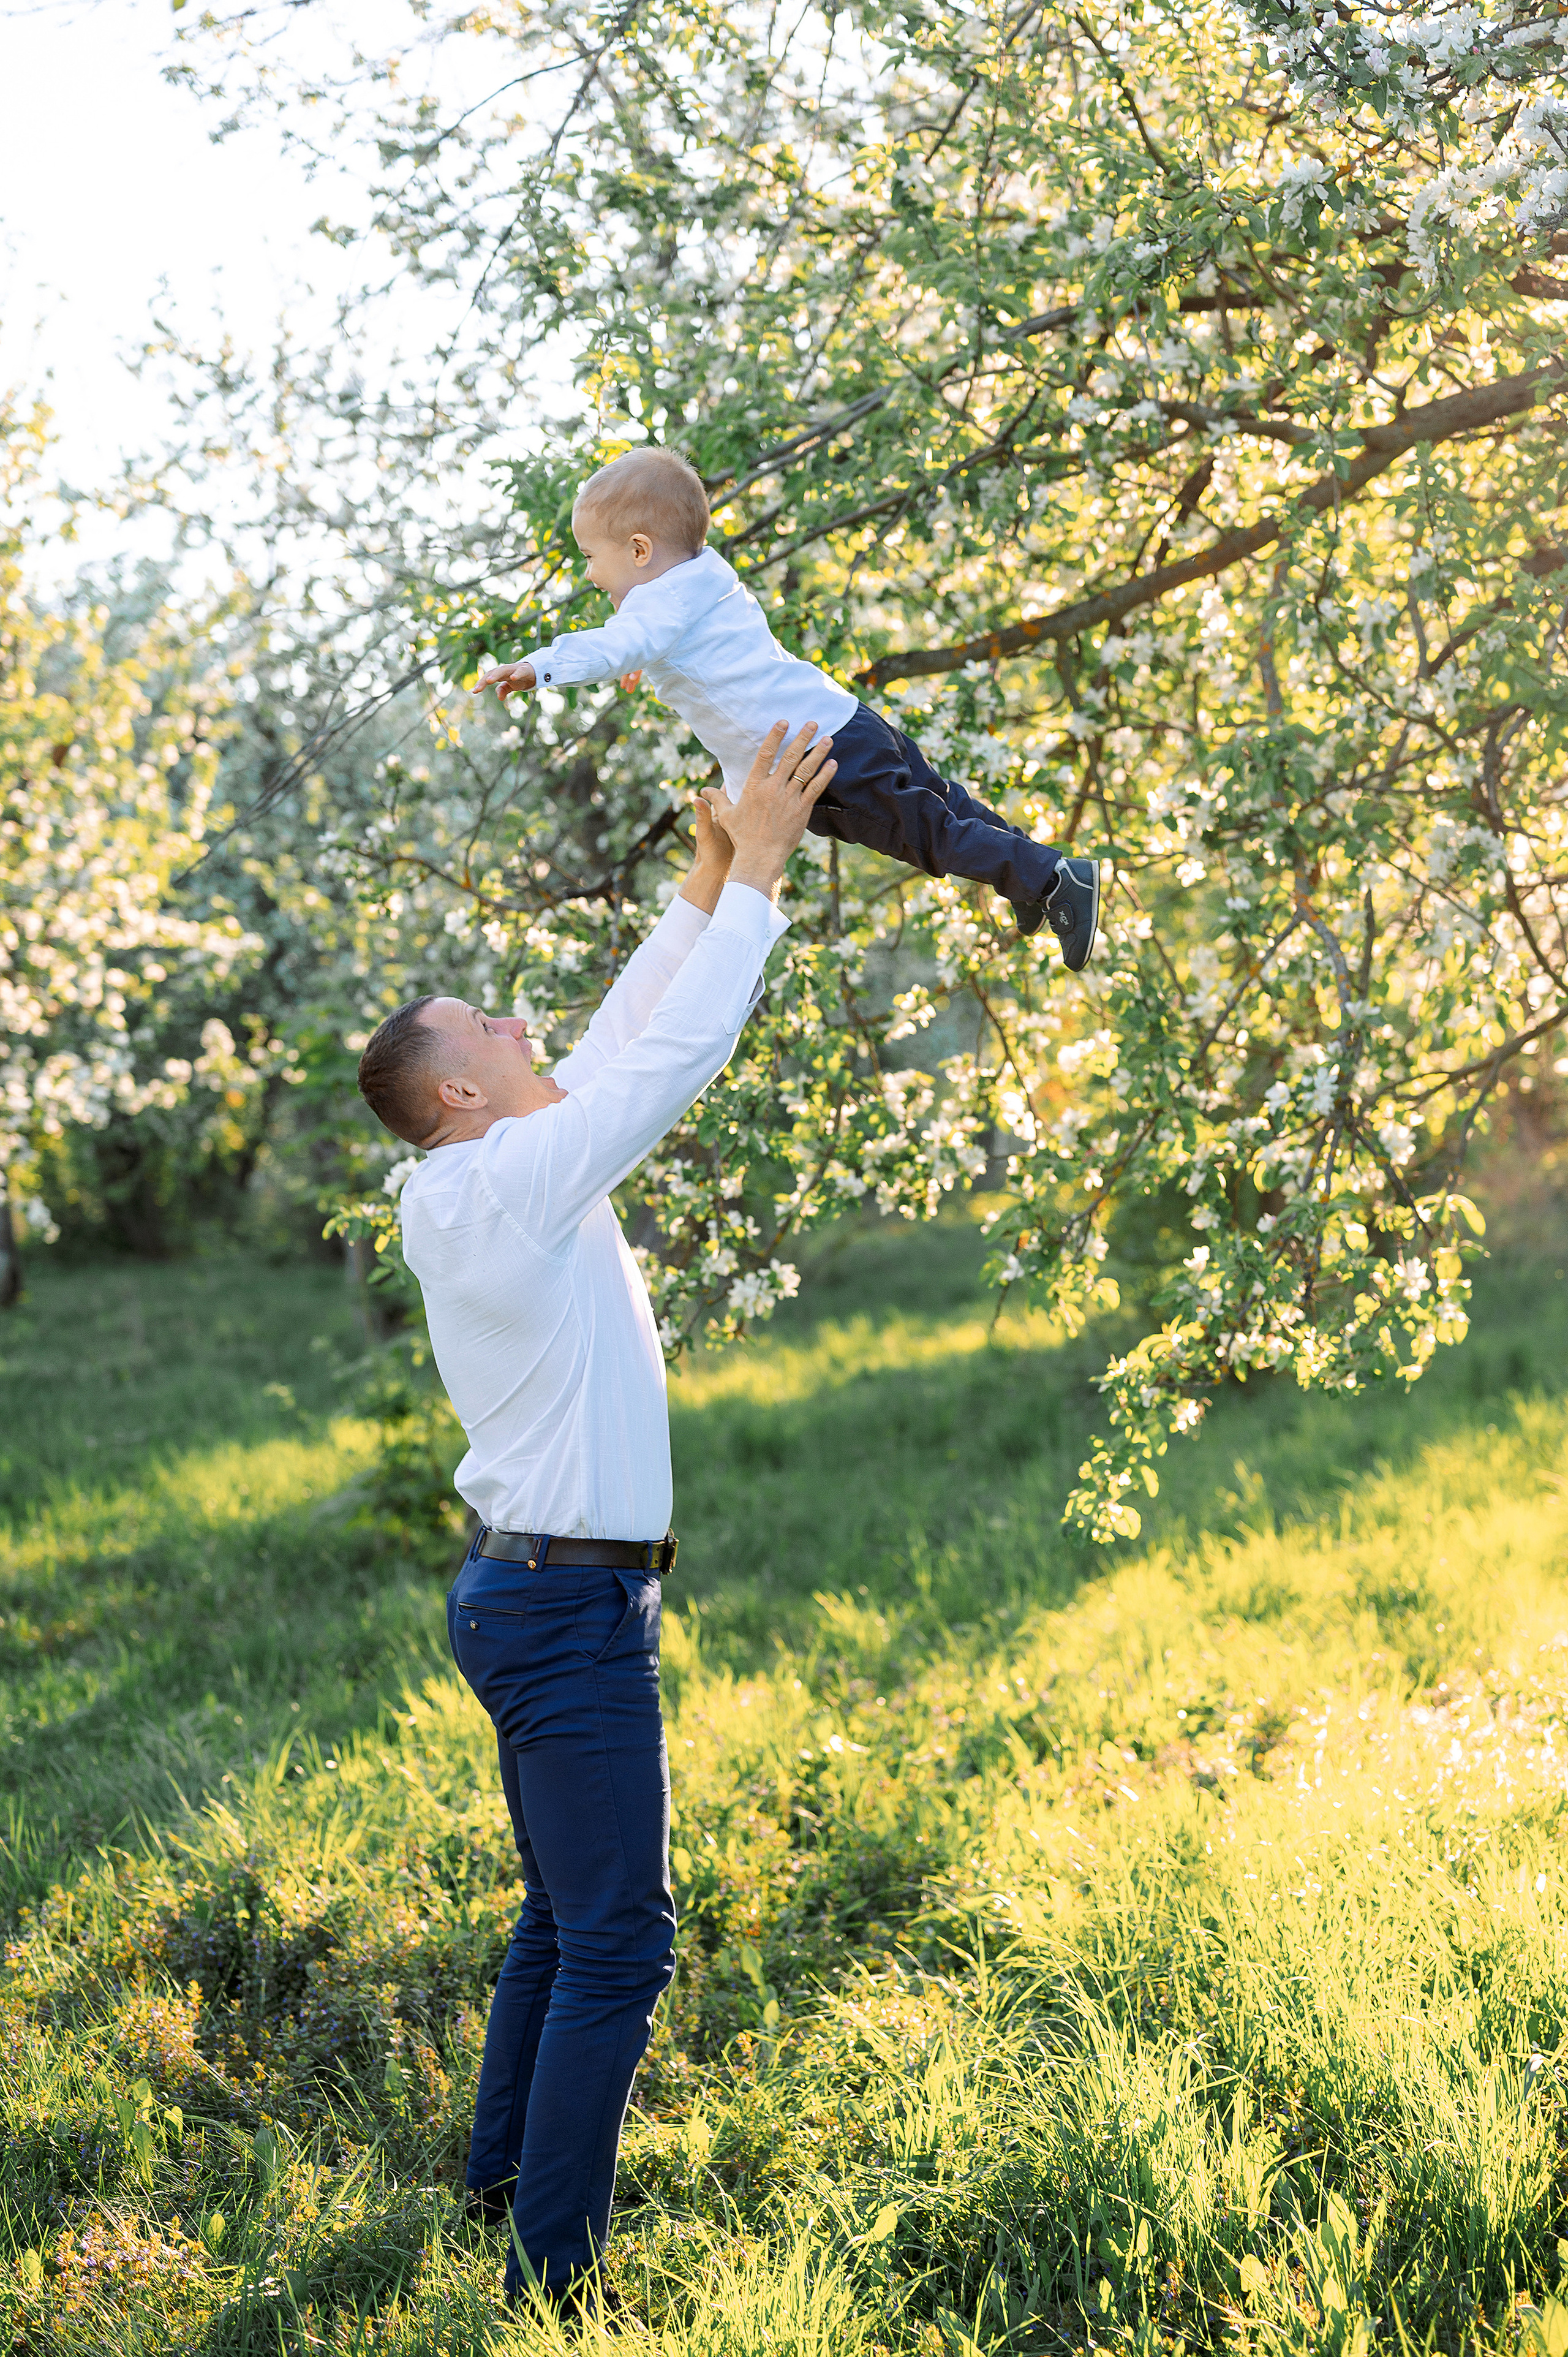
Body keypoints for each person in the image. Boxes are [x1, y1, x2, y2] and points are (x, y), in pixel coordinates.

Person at [353, 722, 836, 2323]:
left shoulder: (493, 1171)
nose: (517, 1013)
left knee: (567, 1914)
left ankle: (501, 2185)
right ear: (461, 1088)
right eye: (490, 1017)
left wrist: (704, 880)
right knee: (620, 1935)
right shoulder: (499, 1186)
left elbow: (624, 1040)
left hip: (536, 1596)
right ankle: (549, 2273)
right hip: (558, 1612)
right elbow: (665, 1064)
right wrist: (759, 869)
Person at [472, 444, 1101, 970]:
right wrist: (647, 656)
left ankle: (1049, 879)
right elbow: (663, 642)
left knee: (927, 832)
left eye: (591, 558)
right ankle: (1025, 872)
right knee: (942, 801)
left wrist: (540, 666)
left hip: (817, 761)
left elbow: (625, 639)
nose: (590, 576)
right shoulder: (704, 574)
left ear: (640, 552)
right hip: (844, 720)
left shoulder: (654, 607)